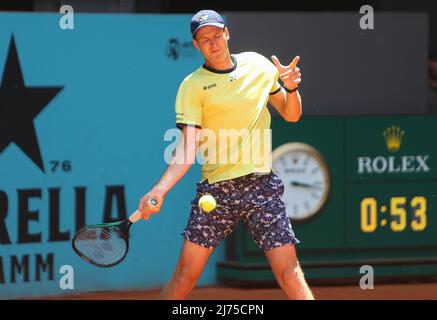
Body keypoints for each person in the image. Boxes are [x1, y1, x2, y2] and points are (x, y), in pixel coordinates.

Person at [138, 9, 314, 300]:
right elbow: (187, 147)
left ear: (227, 34)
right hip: (217, 193)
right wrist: (160, 189)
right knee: (184, 276)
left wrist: (292, 88)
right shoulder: (192, 87)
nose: (213, 43)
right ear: (196, 45)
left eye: (217, 35)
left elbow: (290, 114)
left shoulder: (259, 65)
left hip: (262, 187)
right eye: (205, 39)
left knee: (290, 273)